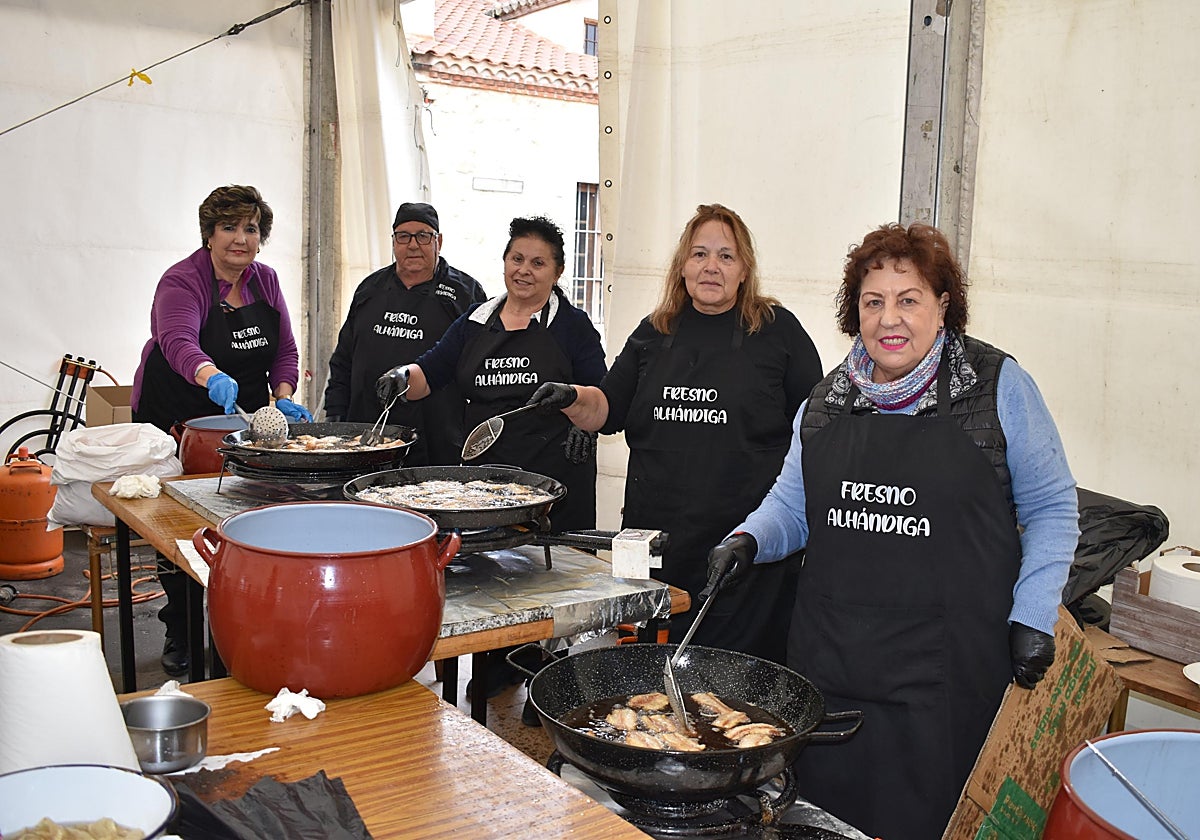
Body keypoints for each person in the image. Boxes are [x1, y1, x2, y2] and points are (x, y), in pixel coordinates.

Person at [704, 222, 1079, 840]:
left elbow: (1052, 506)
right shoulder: (825, 402)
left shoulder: (995, 388)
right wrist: (746, 539)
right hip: (835, 668)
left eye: (909, 299)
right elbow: (794, 507)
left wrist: (1034, 613)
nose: (889, 319)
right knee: (827, 821)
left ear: (943, 306)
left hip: (946, 676)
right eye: (873, 302)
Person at [527, 203, 822, 662]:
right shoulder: (655, 331)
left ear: (744, 269)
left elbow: (814, 429)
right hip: (653, 539)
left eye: (726, 256)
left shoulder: (777, 331)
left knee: (732, 678)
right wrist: (570, 396)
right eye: (700, 253)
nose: (711, 266)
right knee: (647, 671)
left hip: (741, 545)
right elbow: (606, 408)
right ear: (682, 264)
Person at [131, 184, 312, 676]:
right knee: (178, 524)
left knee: (240, 515)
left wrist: (283, 396)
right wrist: (211, 376)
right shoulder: (182, 280)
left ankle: (243, 620)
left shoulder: (266, 281)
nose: (240, 238)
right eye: (229, 227)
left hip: (240, 420)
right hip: (177, 414)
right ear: (209, 233)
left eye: (250, 229)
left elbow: (284, 353)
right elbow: (177, 340)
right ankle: (182, 628)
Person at [377, 215, 606, 532]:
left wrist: (576, 401)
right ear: (505, 262)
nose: (524, 270)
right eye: (517, 259)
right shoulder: (476, 321)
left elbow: (602, 397)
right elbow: (430, 372)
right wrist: (401, 377)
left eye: (538, 263)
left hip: (553, 486)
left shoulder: (572, 326)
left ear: (558, 272)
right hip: (482, 487)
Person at [323, 202, 487, 465]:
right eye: (403, 236)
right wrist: (334, 414)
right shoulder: (369, 289)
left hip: (436, 440)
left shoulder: (465, 293)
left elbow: (481, 367)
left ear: (439, 242)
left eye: (423, 236)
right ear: (394, 242)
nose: (413, 245)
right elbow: (343, 360)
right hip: (367, 437)